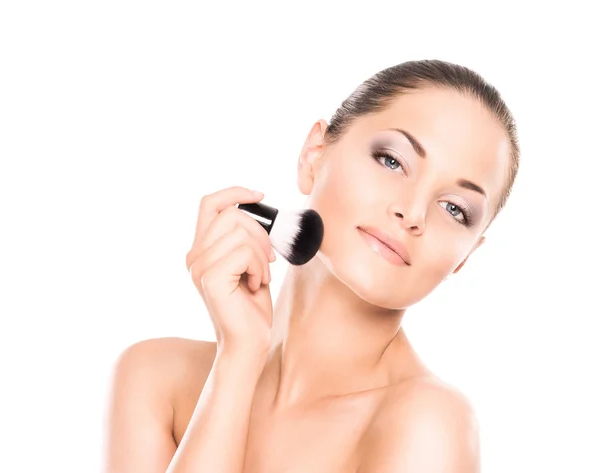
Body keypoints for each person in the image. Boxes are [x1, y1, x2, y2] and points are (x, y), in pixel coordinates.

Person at [102, 59, 520, 473]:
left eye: (454, 209)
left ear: (466, 257)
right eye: (392, 160)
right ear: (313, 155)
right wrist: (239, 359)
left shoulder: (430, 424)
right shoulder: (154, 380)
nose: (413, 213)